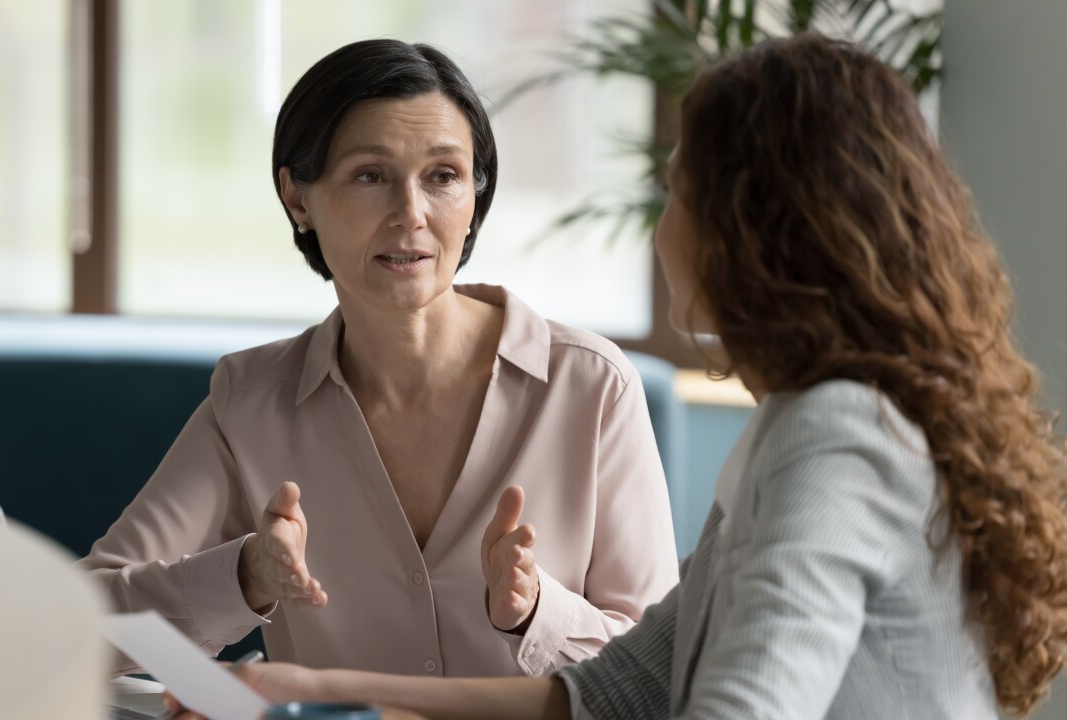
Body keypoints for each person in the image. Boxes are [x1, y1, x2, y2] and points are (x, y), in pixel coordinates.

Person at [168, 33, 1067, 720]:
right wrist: (304, 685)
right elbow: (616, 691)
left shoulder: (833, 437)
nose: (661, 229)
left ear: (756, 229)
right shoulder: (804, 420)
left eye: (679, 194)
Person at [77, 39, 679, 679]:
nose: (412, 214)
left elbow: (660, 674)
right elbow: (86, 625)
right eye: (371, 175)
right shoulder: (251, 401)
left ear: (475, 196)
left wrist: (537, 614)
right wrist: (246, 576)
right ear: (299, 198)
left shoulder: (591, 387)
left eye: (443, 177)